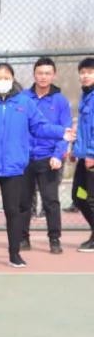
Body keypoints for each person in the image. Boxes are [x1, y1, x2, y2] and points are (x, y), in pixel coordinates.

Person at [0, 62, 74, 268]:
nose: (2, 81)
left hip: (13, 168)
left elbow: (40, 127)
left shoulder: (24, 103)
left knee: (13, 211)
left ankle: (14, 254)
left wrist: (60, 133)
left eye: (6, 77)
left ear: (12, 79)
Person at [19, 58, 71, 254]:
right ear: (34, 74)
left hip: (49, 158)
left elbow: (65, 131)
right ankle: (23, 238)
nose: (43, 77)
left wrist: (58, 154)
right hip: (25, 158)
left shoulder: (60, 101)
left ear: (53, 75)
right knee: (23, 201)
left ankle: (54, 240)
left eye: (47, 73)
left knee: (50, 201)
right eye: (40, 73)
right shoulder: (23, 98)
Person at [71, 57, 94, 251]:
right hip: (83, 156)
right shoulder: (86, 96)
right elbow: (83, 129)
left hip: (91, 158)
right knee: (79, 196)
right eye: (83, 72)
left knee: (91, 198)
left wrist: (92, 155)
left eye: (90, 72)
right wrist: (75, 150)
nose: (85, 76)